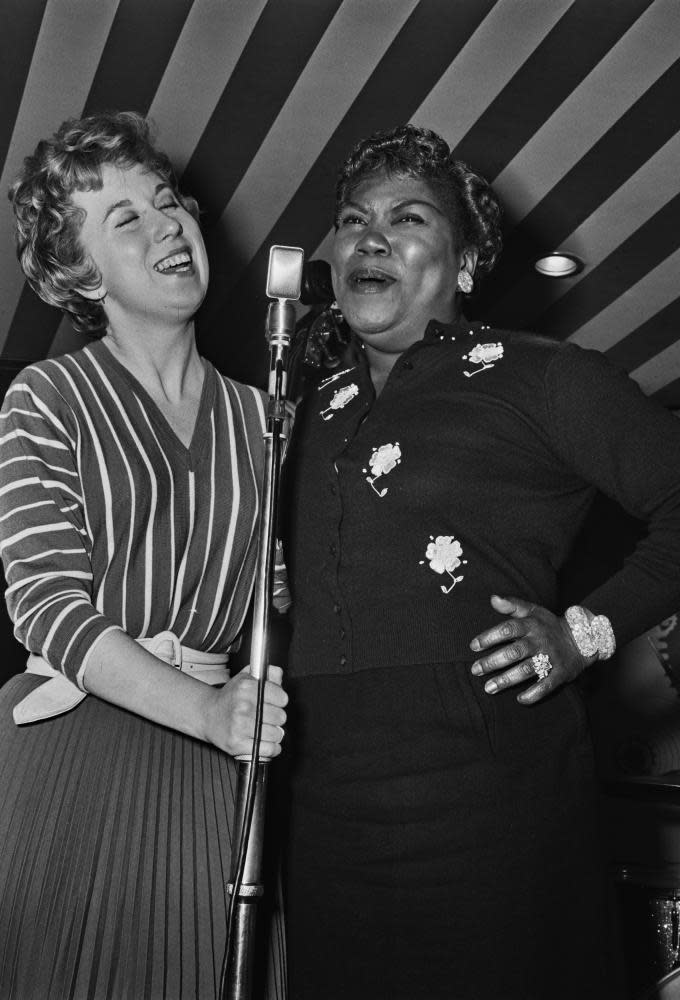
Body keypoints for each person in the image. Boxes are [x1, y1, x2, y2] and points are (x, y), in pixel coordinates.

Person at [280, 124, 680, 999]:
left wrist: (588, 632)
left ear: (464, 265)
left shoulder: (542, 377)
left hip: (488, 793)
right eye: (352, 220)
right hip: (321, 807)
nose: (369, 237)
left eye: (407, 217)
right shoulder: (299, 412)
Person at [0, 111, 288, 1000]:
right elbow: (47, 609)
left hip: (206, 777)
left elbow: (279, 597)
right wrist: (206, 711)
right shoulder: (47, 397)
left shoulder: (267, 424)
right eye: (126, 221)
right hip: (61, 764)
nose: (167, 226)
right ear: (79, 272)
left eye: (166, 202)